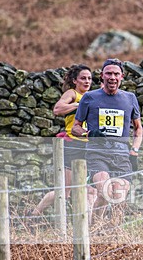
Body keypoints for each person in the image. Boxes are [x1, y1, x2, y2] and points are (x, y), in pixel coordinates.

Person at [72, 58, 142, 221]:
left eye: (116, 74)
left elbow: (138, 128)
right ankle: (95, 229)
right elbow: (75, 127)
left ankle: (113, 235)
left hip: (122, 155)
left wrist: (135, 151)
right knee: (104, 191)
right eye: (108, 73)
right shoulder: (89, 97)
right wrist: (88, 134)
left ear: (122, 77)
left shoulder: (130, 98)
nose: (112, 77)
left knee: (118, 197)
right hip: (97, 153)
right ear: (102, 76)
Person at [31, 64, 96, 216]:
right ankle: (33, 215)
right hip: (73, 145)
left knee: (91, 190)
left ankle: (89, 225)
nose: (87, 81)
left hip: (90, 146)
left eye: (89, 78)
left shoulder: (93, 96)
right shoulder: (72, 93)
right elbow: (57, 109)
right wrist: (79, 106)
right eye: (83, 78)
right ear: (75, 80)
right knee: (65, 191)